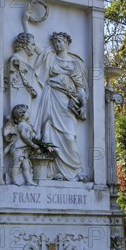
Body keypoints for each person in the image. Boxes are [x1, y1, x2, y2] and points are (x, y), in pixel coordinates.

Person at [34, 32, 88, 181]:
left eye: (60, 41)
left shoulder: (74, 64)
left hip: (67, 102)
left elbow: (80, 88)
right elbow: (35, 47)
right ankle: (55, 171)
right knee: (49, 133)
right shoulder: (51, 58)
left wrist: (83, 105)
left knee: (69, 137)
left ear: (67, 43)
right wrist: (26, 22)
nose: (57, 44)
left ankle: (76, 171)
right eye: (55, 42)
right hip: (51, 97)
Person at [3, 104, 39, 185]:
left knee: (26, 166)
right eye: (27, 112)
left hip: (24, 149)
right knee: (16, 165)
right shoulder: (21, 125)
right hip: (18, 148)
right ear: (21, 114)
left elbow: (31, 135)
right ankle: (14, 180)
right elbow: (24, 137)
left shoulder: (27, 124)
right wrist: (33, 144)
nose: (28, 113)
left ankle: (29, 181)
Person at [5, 33, 38, 98]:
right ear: (25, 46)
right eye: (33, 45)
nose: (34, 48)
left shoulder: (23, 62)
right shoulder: (16, 61)